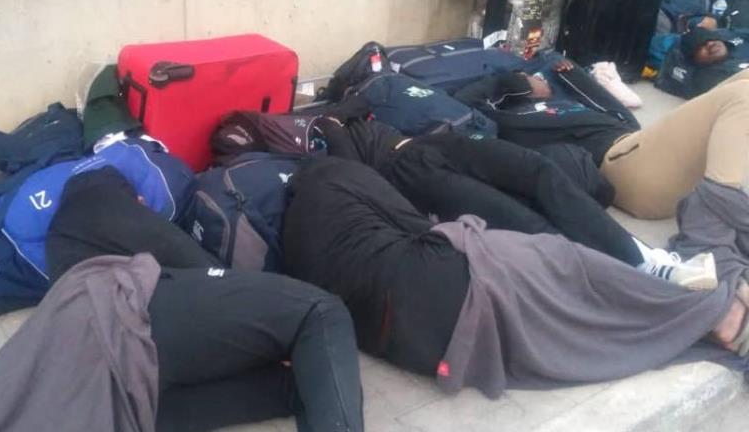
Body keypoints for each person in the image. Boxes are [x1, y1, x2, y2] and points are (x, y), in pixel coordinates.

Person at [0, 167, 365, 432]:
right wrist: (258, 300)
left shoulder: (64, 241)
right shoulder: (102, 199)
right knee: (319, 312)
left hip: (126, 393)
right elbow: (190, 260)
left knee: (298, 385)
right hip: (125, 322)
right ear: (132, 194)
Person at [281, 157, 749, 399]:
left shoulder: (293, 234)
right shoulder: (341, 177)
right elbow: (418, 229)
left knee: (550, 311)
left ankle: (693, 315)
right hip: (433, 286)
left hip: (419, 347)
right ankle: (709, 310)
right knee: (565, 263)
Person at [314, 115, 716, 289]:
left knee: (541, 173)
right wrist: (333, 118)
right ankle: (634, 277)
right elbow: (353, 169)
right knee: (527, 222)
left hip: (439, 144)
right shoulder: (329, 132)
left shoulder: (371, 102)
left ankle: (646, 258)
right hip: (408, 172)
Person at [455, 59, 749, 220]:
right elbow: (463, 104)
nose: (540, 78)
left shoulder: (572, 104)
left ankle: (721, 204)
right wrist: (510, 81)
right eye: (531, 78)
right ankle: (715, 224)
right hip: (625, 169)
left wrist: (576, 77)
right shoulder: (516, 119)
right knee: (743, 97)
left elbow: (622, 115)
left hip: (640, 147)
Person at [675, 27, 749, 97]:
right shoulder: (708, 78)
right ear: (694, 60)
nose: (710, 44)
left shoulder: (735, 40)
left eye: (711, 38)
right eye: (700, 46)